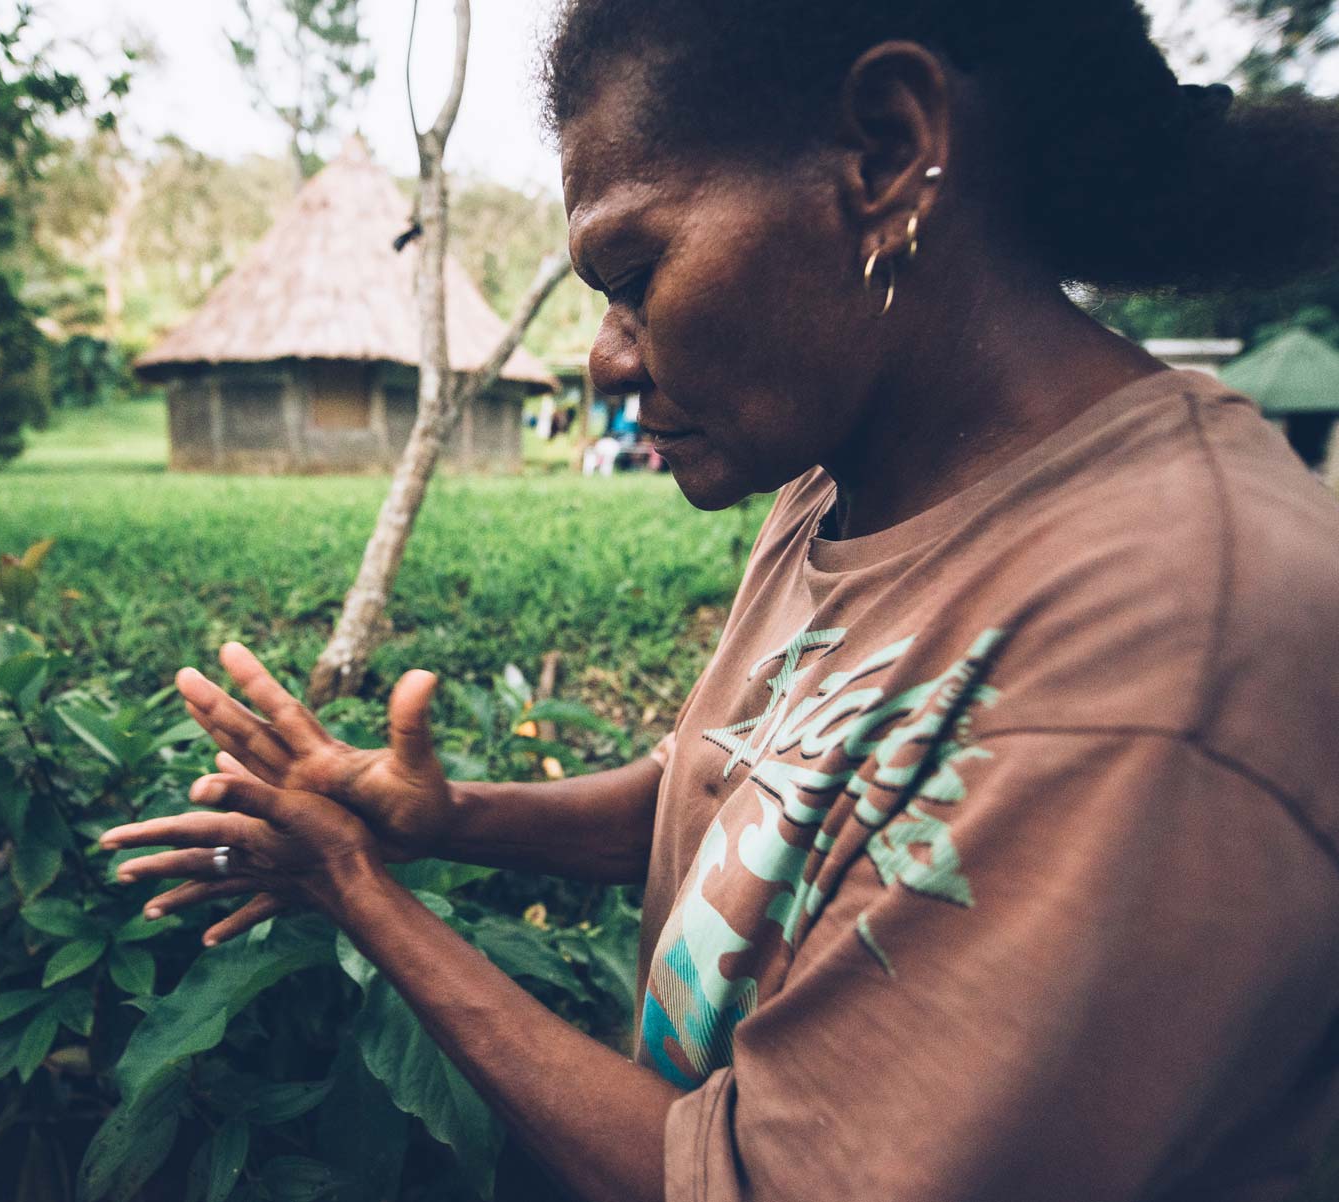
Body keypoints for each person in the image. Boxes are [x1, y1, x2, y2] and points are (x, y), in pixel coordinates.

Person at [101, 2, 1339, 1198]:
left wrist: (361, 895)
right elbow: (732, 784)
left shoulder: (1158, 636)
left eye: (635, 268)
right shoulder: (841, 483)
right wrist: (447, 816)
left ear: (888, 152)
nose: (605, 354)